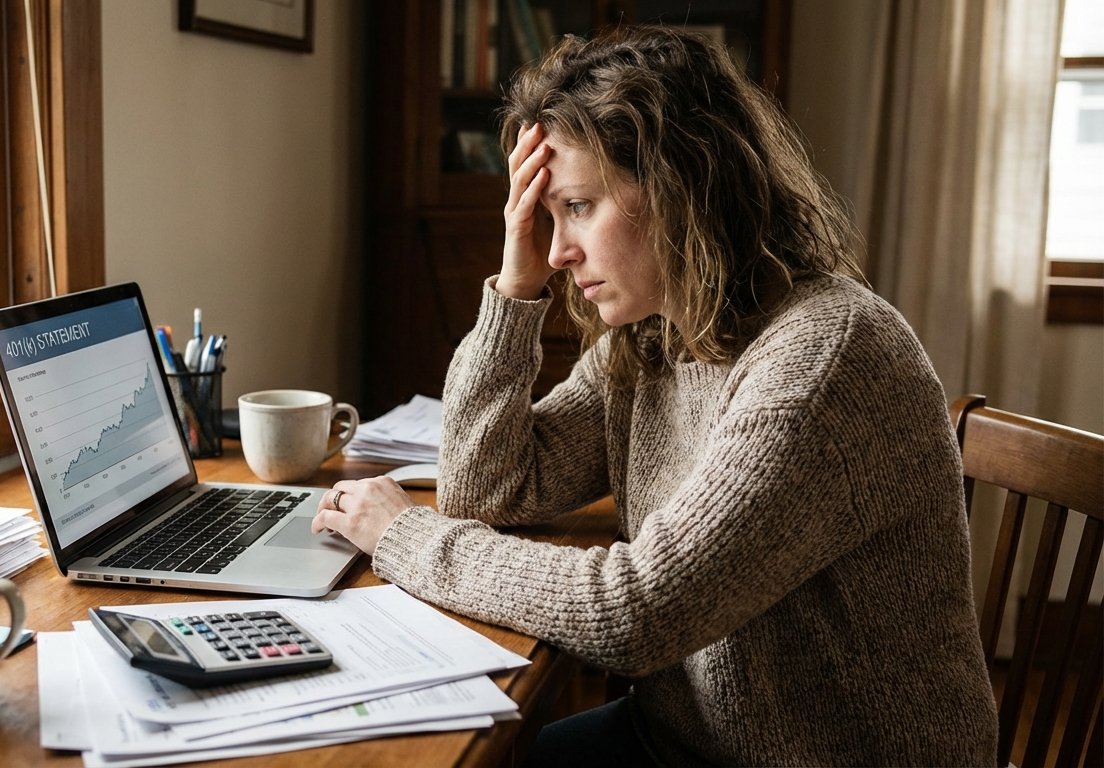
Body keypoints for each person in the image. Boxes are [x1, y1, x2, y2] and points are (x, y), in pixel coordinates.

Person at [312, 24, 997, 765]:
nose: (557, 251)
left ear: (680, 186)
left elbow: (636, 613)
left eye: (577, 207)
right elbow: (492, 488)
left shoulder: (825, 357)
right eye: (546, 216)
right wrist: (515, 287)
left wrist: (403, 537)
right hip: (681, 740)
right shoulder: (657, 336)